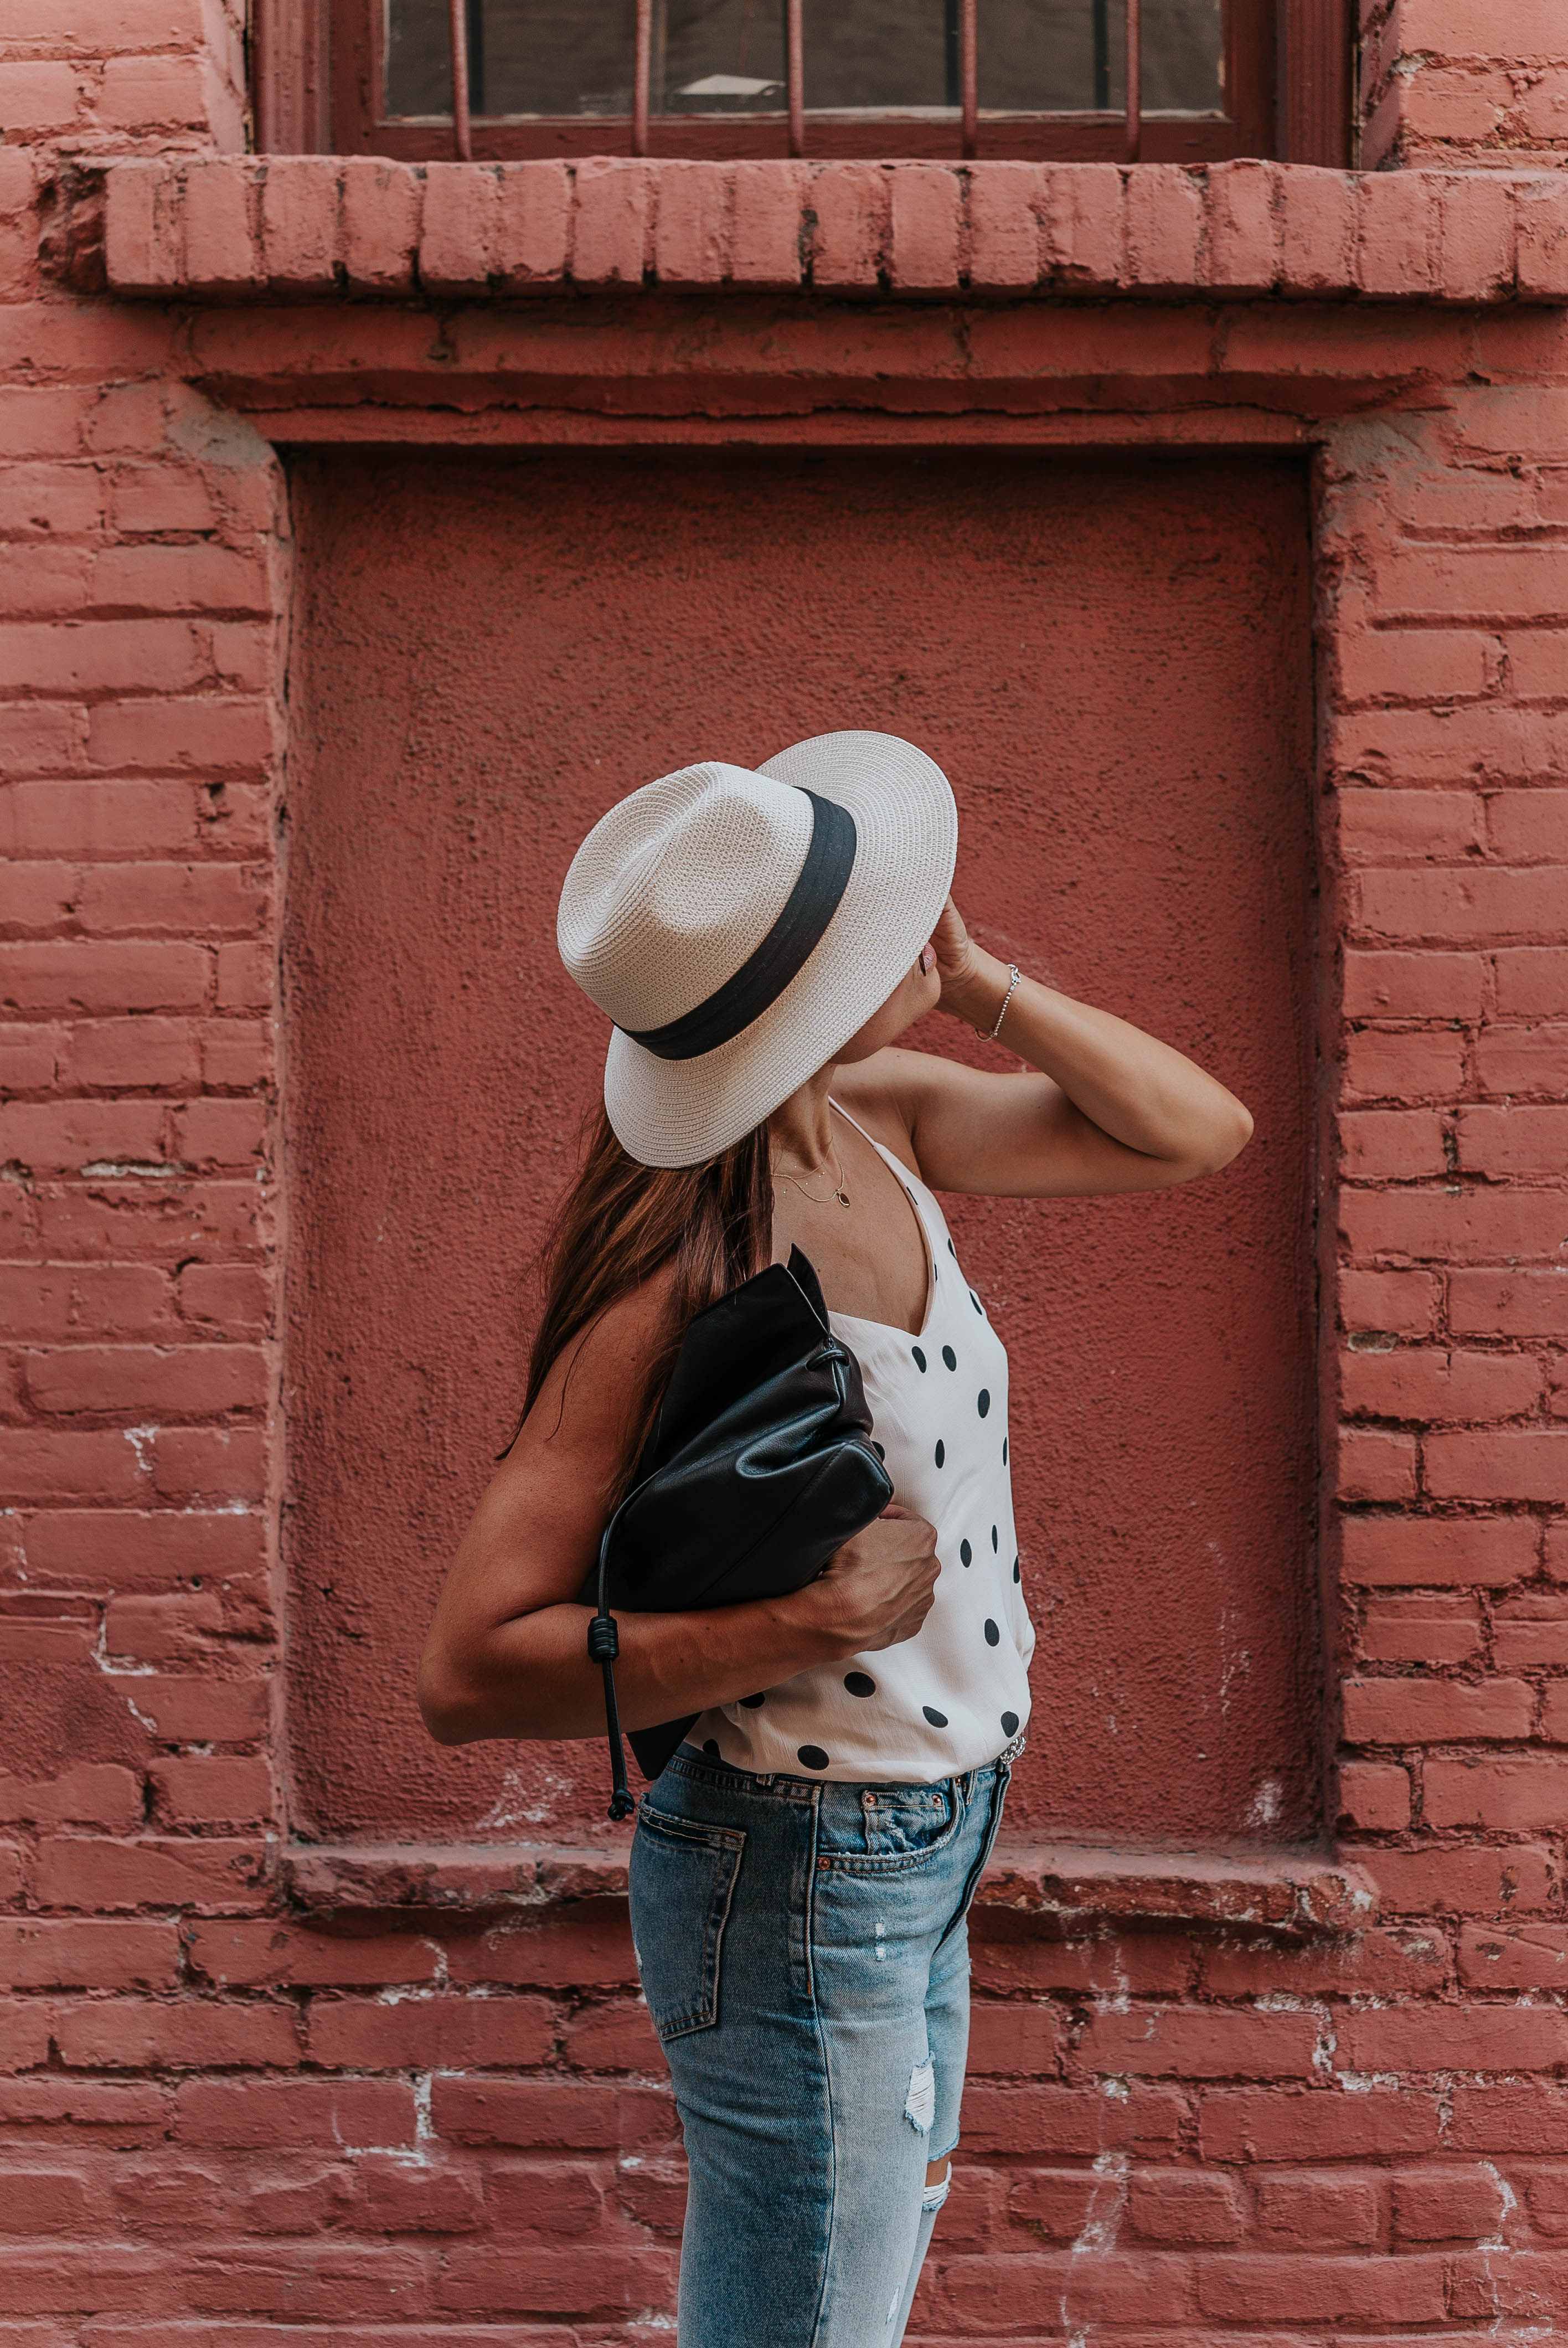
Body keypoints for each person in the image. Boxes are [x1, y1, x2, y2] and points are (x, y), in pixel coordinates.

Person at [417, 732, 1252, 2347]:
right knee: (813, 2322)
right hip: (802, 1863)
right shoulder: (677, 1272)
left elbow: (1195, 1132)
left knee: (840, 2302)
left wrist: (982, 982)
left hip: (928, 1837)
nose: (916, 929)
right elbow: (467, 1671)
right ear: (792, 1010)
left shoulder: (882, 1120)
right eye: (882, 929)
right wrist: (800, 1630)